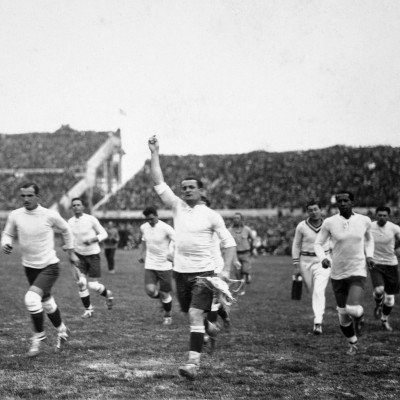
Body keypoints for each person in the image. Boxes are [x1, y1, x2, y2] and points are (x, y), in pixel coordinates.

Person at [148, 135, 236, 381]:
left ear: (201, 191)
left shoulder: (212, 215)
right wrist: (155, 152)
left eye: (191, 187)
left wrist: (226, 269)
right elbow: (158, 182)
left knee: (196, 315)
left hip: (204, 274)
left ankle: (192, 364)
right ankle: (210, 328)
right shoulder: (176, 206)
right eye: (183, 187)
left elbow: (229, 243)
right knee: (191, 313)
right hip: (180, 272)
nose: (186, 190)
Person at [1, 182, 77, 356]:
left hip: (49, 266)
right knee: (47, 302)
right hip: (29, 267)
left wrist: (71, 252)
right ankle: (63, 331)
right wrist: (5, 243)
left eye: (29, 195)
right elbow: (7, 233)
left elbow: (66, 229)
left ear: (38, 197)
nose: (26, 199)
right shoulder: (15, 215)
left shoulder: (49, 215)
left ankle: (38, 337)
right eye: (23, 196)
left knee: (31, 299)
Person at [314, 191, 374, 355]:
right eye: (339, 201)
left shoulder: (364, 220)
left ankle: (360, 316)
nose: (342, 203)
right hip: (337, 272)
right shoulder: (329, 222)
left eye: (346, 200)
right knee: (343, 316)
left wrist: (369, 256)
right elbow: (318, 244)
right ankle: (353, 343)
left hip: (357, 270)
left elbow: (369, 239)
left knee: (352, 309)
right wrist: (323, 258)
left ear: (352, 202)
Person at [68, 198, 114, 318]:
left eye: (78, 205)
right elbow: (69, 239)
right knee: (81, 283)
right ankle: (88, 310)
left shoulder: (91, 219)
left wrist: (92, 240)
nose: (76, 207)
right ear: (72, 208)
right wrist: (69, 249)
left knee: (93, 285)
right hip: (79, 256)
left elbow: (104, 234)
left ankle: (108, 294)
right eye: (74, 205)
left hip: (93, 255)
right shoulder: (70, 222)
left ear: (83, 207)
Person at [292, 200, 331, 335]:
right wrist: (296, 265)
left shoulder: (328, 224)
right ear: (307, 212)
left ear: (321, 209)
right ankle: (317, 316)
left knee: (318, 291)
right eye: (310, 210)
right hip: (305, 261)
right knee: (311, 290)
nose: (313, 212)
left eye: (316, 209)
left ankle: (318, 322)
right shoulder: (302, 226)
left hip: (323, 261)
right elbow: (296, 245)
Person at [138, 206, 175, 325]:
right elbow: (143, 241)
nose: (149, 221)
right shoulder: (144, 227)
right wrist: (142, 253)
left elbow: (176, 240)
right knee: (150, 291)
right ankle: (164, 300)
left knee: (165, 293)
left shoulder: (166, 228)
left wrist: (171, 253)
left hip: (165, 265)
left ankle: (168, 316)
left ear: (156, 215)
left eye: (151, 219)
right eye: (147, 219)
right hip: (150, 264)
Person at [370, 206, 400, 331]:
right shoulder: (369, 227)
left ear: (389, 216)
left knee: (389, 298)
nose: (382, 217)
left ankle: (384, 319)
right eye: (380, 215)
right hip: (375, 263)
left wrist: (398, 249)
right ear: (376, 215)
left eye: (384, 215)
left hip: (391, 264)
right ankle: (378, 305)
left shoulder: (394, 228)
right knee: (379, 290)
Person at [228, 213, 256, 295]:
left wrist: (252, 248)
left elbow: (253, 239)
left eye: (237, 218)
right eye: (234, 218)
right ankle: (242, 289)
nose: (235, 220)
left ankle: (247, 275)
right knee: (237, 273)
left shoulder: (247, 229)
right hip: (235, 254)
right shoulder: (229, 230)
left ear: (241, 220)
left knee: (245, 270)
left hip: (246, 253)